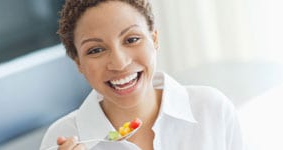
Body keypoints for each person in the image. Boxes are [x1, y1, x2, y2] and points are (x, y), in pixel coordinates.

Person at [40, 0, 243, 150]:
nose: (119, 63)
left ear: (154, 39)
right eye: (95, 50)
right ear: (78, 64)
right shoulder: (62, 137)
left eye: (132, 39)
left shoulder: (210, 109)